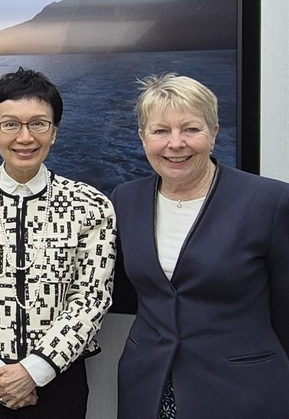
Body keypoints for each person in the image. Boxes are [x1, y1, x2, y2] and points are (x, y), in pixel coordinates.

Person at [0, 68, 116, 418]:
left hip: (58, 380)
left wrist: (33, 371)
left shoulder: (91, 206)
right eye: (10, 124)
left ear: (54, 132)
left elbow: (92, 298)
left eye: (38, 124)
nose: (25, 137)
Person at [111, 73, 289, 419]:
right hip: (148, 389)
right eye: (161, 131)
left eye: (191, 129)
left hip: (242, 392)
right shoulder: (125, 199)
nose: (175, 143)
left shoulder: (270, 201)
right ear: (142, 137)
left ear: (214, 133)